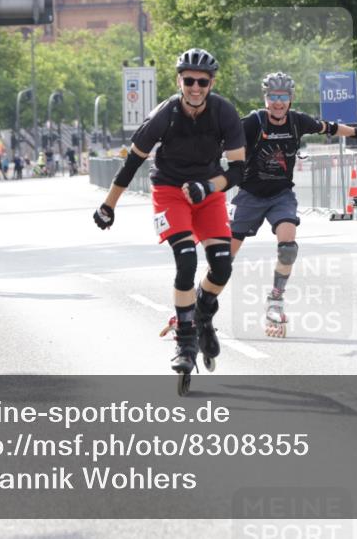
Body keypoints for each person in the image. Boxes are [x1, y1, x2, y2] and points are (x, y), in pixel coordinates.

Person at [93, 48, 245, 392]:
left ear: (211, 83)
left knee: (222, 267)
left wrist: (207, 186)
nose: (195, 87)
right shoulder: (165, 114)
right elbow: (132, 163)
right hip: (169, 192)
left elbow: (237, 170)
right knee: (186, 261)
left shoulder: (225, 113)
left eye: (201, 82)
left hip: (208, 192)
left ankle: (203, 313)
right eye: (188, 80)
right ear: (179, 80)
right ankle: (185, 340)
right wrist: (108, 206)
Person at [230, 72, 357, 337]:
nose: (278, 103)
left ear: (291, 98)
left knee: (288, 248)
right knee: (223, 256)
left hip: (280, 195)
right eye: (273, 97)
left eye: (283, 97)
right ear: (265, 98)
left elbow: (330, 128)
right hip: (250, 196)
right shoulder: (254, 122)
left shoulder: (298, 122)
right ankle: (198, 302)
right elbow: (225, 142)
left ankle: (275, 300)